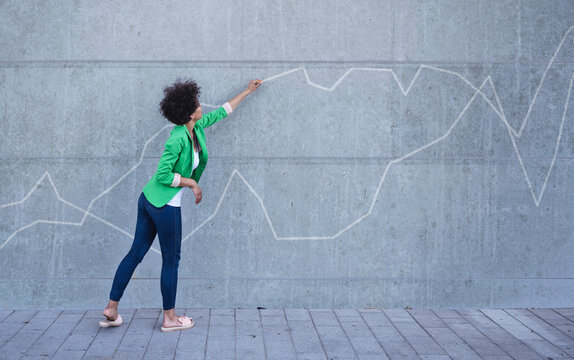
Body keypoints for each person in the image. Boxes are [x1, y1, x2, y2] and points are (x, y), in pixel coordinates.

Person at [99, 78, 262, 332]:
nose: (200, 105)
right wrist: (191, 184)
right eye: (197, 103)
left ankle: (111, 309)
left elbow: (222, 112)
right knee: (171, 261)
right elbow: (163, 174)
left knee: (135, 254)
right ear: (188, 112)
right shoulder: (176, 139)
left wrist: (247, 92)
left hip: (149, 199)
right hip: (163, 205)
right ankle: (170, 318)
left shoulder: (195, 127)